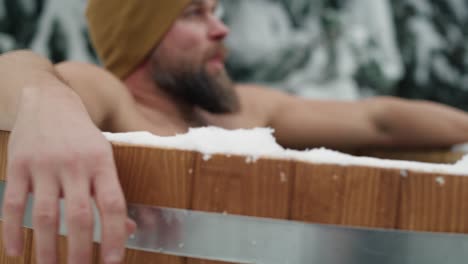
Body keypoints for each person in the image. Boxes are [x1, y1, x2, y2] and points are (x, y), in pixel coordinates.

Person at [1, 0, 468, 263]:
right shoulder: (114, 98)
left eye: (216, 11)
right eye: (193, 13)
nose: (221, 28)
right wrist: (47, 104)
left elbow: (376, 120)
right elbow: (17, 69)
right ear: (138, 39)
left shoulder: (243, 110)